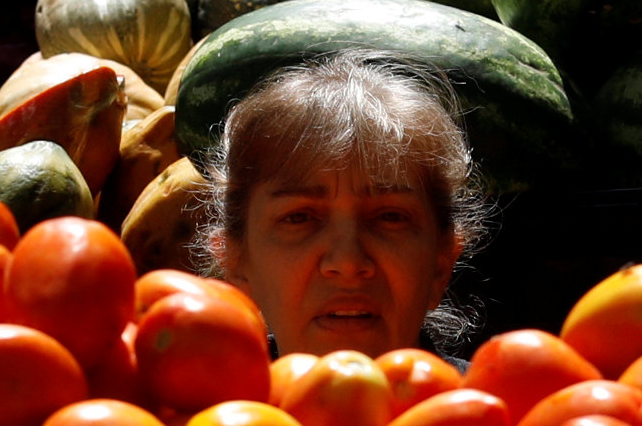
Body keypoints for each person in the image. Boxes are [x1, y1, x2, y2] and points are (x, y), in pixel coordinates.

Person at [200, 49, 487, 360]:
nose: (348, 262)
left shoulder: (513, 406)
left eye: (390, 217)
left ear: (441, 266)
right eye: (299, 218)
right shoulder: (181, 408)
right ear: (237, 266)